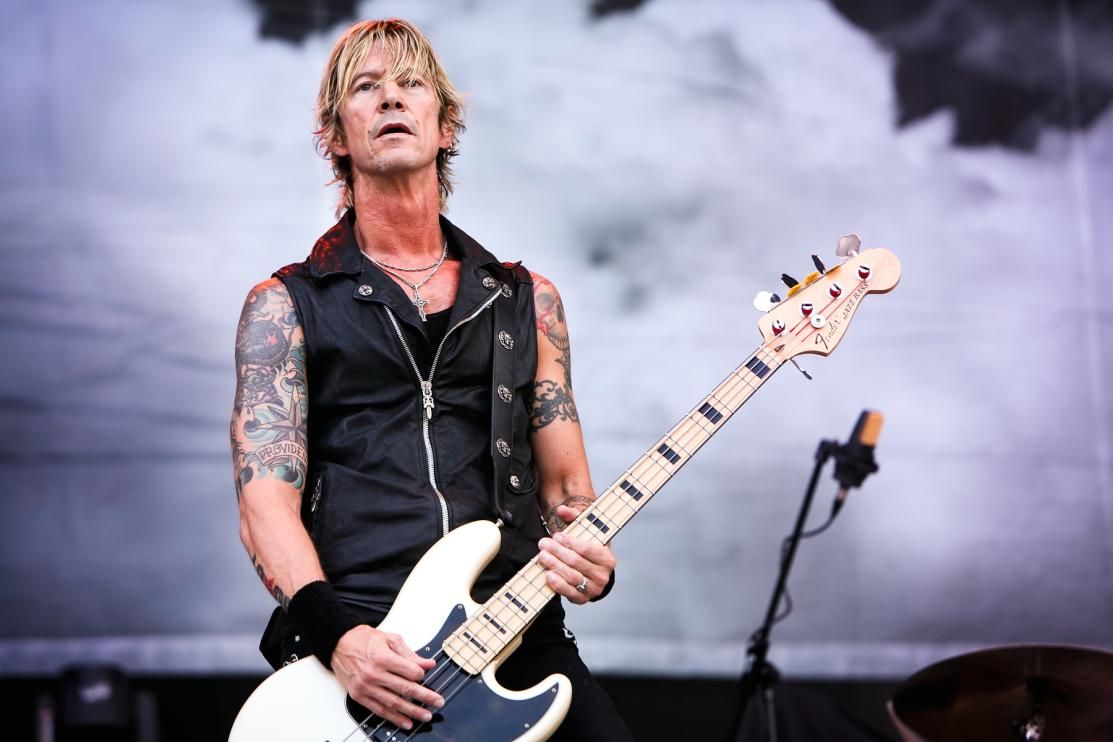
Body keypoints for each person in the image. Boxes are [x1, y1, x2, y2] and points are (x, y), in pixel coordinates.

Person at [230, 18, 634, 740]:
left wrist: (589, 559)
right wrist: (337, 638)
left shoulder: (525, 300)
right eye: (366, 88)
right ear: (335, 135)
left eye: (410, 84)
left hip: (512, 627)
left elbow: (567, 493)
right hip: (362, 641)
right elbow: (264, 502)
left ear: (445, 126)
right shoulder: (285, 305)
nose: (390, 98)